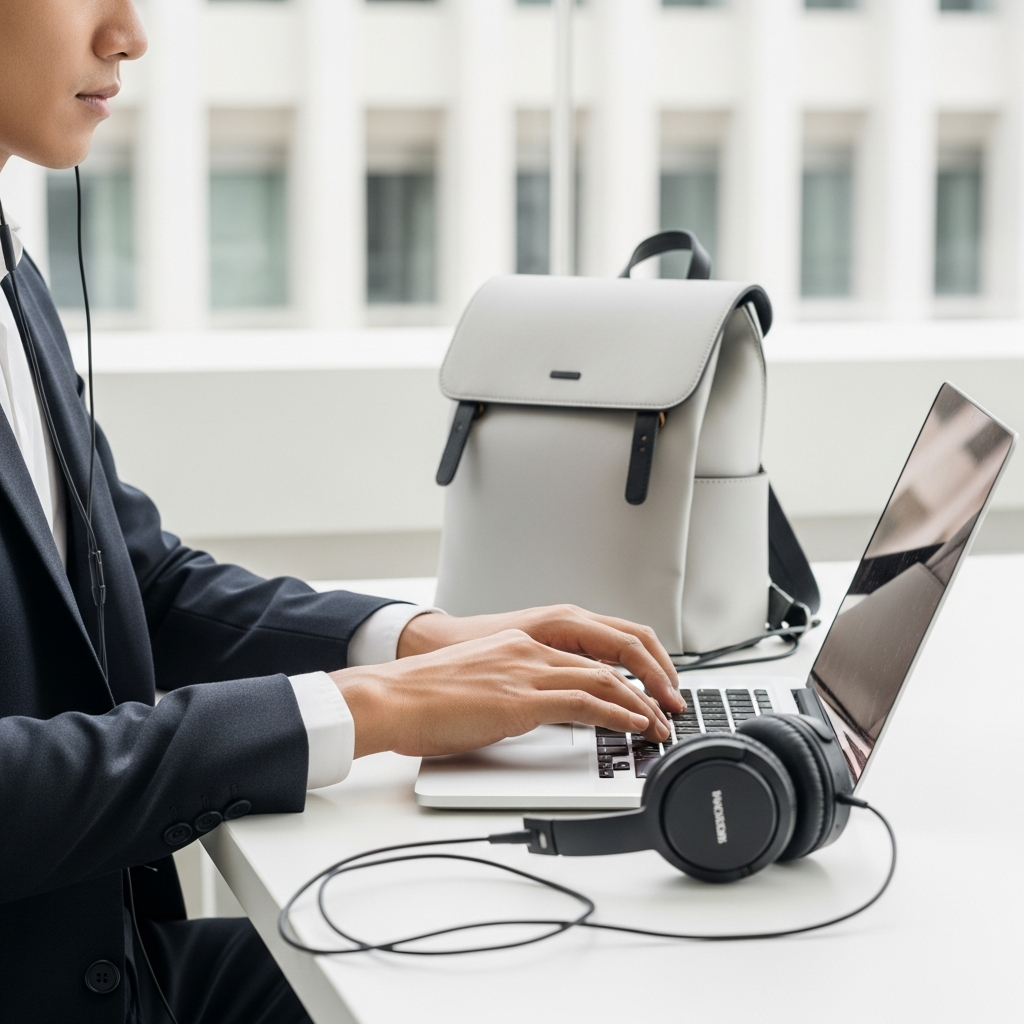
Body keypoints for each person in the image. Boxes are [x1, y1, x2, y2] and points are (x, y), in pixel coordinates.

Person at [0, 2, 683, 1022]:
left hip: (111, 964)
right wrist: (364, 711)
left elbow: (133, 578)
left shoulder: (9, 265)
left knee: (508, 959)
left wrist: (412, 642)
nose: (130, 35)